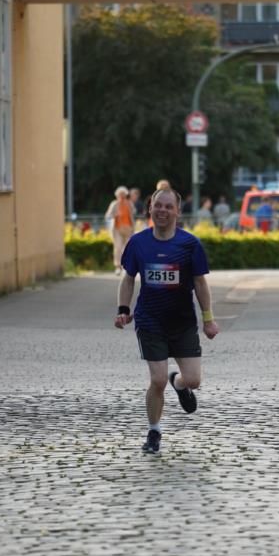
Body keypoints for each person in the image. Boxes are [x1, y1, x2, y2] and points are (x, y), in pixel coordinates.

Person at [114, 187, 219, 455]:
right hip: (150, 321)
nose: (162, 210)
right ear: (150, 208)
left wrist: (208, 320)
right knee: (157, 380)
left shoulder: (189, 244)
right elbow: (128, 279)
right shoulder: (138, 243)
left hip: (183, 322)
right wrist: (123, 309)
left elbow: (200, 282)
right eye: (157, 205)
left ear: (177, 211)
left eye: (168, 206)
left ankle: (180, 383)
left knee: (194, 380)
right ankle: (154, 431)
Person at [104, 185, 136, 275]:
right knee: (118, 247)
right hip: (117, 229)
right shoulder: (114, 204)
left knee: (127, 249)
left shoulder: (129, 203)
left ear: (126, 195)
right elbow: (107, 216)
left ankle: (125, 267)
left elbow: (134, 211)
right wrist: (114, 215)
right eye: (120, 195)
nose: (121, 196)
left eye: (123, 194)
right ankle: (117, 267)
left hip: (128, 228)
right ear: (117, 195)